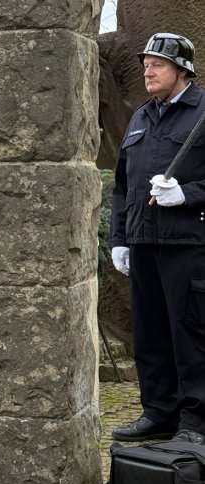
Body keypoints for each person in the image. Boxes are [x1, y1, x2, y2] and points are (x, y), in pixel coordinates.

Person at [109, 33, 205, 444]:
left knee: (191, 336)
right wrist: (120, 238)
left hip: (188, 247)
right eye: (146, 63)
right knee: (150, 335)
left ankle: (196, 422)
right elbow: (121, 186)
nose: (148, 70)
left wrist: (188, 194)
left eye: (158, 64)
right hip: (144, 245)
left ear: (183, 70)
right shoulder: (139, 118)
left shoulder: (203, 113)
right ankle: (158, 412)